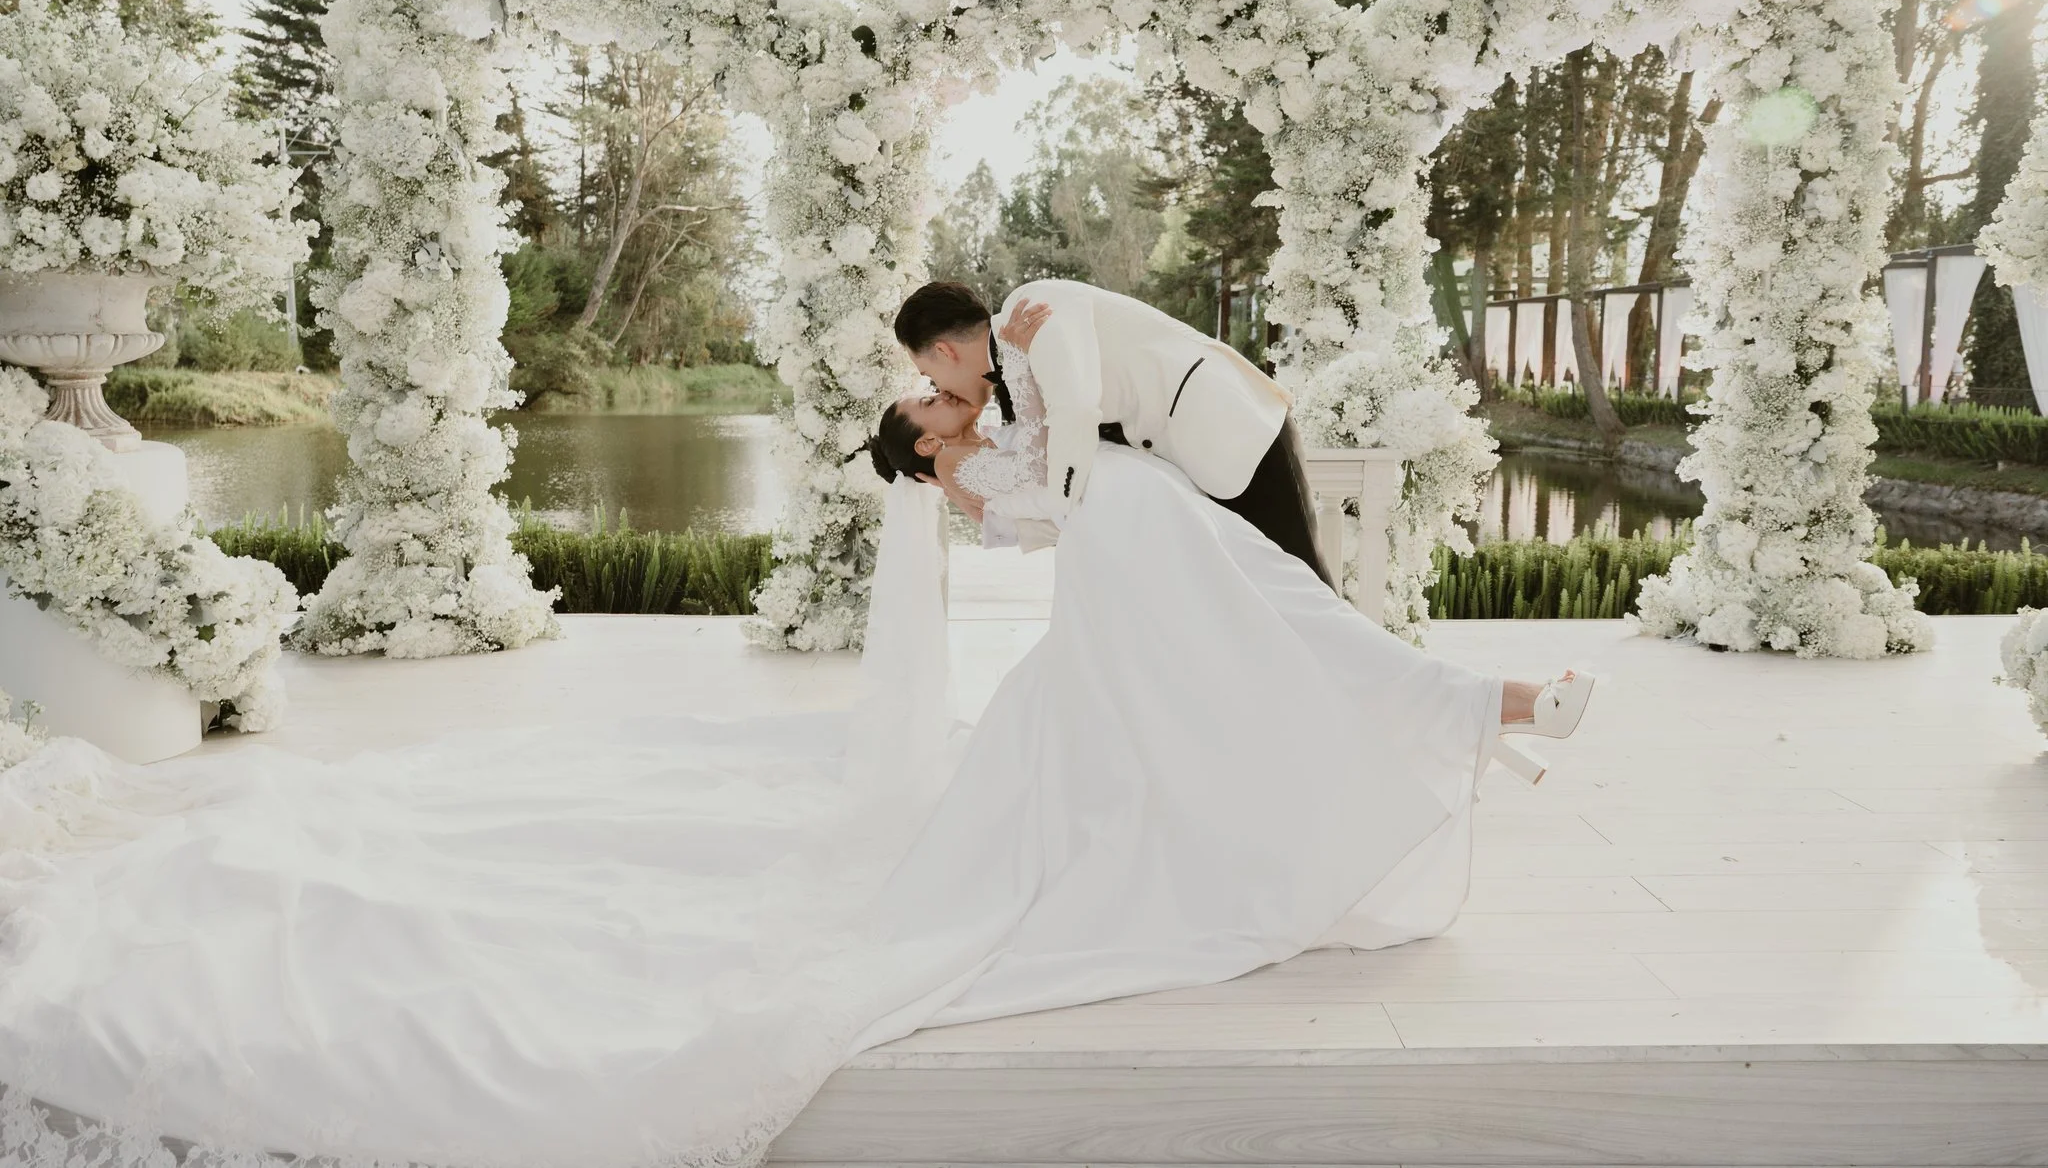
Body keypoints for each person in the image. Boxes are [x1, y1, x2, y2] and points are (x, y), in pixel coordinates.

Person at [0, 328, 1596, 1168]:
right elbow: (1046, 497)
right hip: (1136, 568)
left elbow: (1076, 446)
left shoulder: (1023, 435)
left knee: (1255, 642)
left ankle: (1465, 714)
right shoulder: (976, 480)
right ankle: (1470, 715)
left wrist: (1069, 432)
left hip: (1150, 555)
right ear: (916, 453)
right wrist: (1028, 461)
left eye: (939, 407)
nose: (943, 418)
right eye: (926, 425)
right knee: (1238, 652)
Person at [894, 278, 1336, 587]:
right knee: (1260, 598)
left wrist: (1074, 517)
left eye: (928, 374)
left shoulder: (1030, 306)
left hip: (1235, 433)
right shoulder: (1016, 356)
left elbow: (1075, 409)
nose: (939, 389)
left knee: (1303, 589)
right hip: (1204, 462)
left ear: (943, 350)